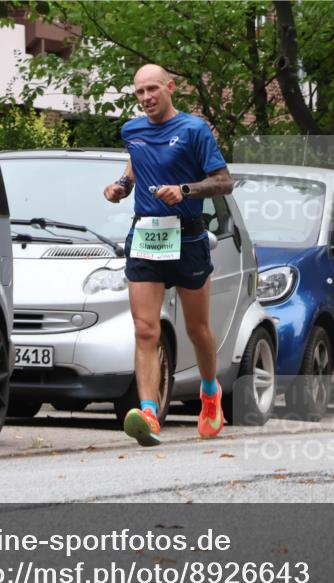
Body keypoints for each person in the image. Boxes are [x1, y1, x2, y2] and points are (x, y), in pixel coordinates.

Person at [103, 64, 233, 447]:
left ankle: (210, 395)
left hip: (189, 238)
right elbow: (135, 162)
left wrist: (186, 190)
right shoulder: (132, 130)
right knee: (145, 329)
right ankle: (148, 412)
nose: (146, 98)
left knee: (197, 329)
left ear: (170, 87)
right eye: (139, 92)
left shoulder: (194, 130)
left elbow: (225, 181)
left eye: (152, 89)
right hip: (146, 235)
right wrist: (122, 186)